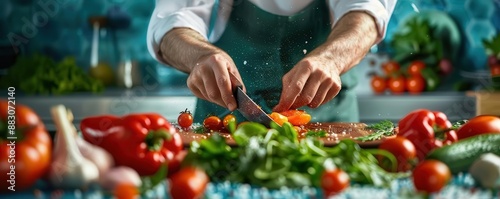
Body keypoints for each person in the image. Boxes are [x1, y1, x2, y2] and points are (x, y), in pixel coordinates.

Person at [147, 0, 397, 123]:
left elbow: (367, 12)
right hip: (226, 125)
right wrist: (199, 55)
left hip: (329, 123)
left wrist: (331, 58)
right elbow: (170, 23)